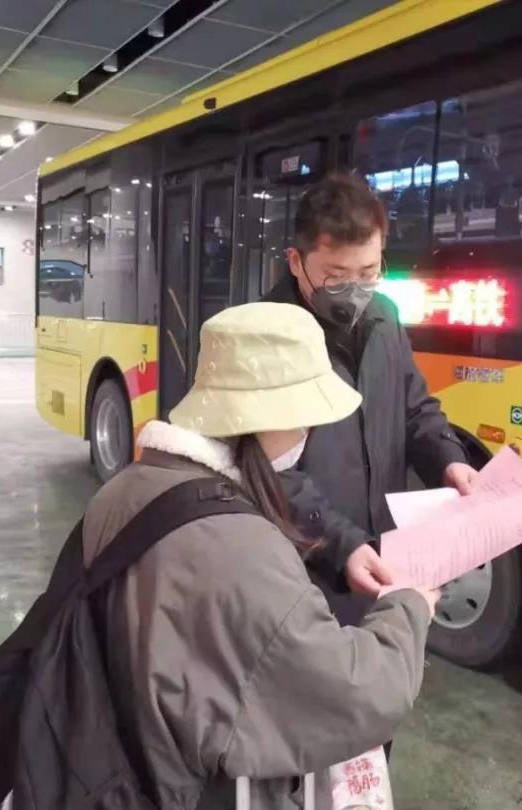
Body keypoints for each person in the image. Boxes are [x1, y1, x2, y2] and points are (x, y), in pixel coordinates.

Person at [83, 302, 439, 808]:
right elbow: (353, 692)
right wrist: (410, 605)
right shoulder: (242, 547)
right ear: (268, 418)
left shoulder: (125, 490)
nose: (308, 435)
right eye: (305, 420)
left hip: (124, 765)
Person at [266, 173, 478, 620]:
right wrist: (343, 545)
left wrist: (449, 461)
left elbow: (416, 409)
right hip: (303, 574)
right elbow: (269, 470)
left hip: (384, 557)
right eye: (335, 277)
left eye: (368, 273)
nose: (355, 292)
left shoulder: (385, 317)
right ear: (295, 262)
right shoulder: (267, 337)